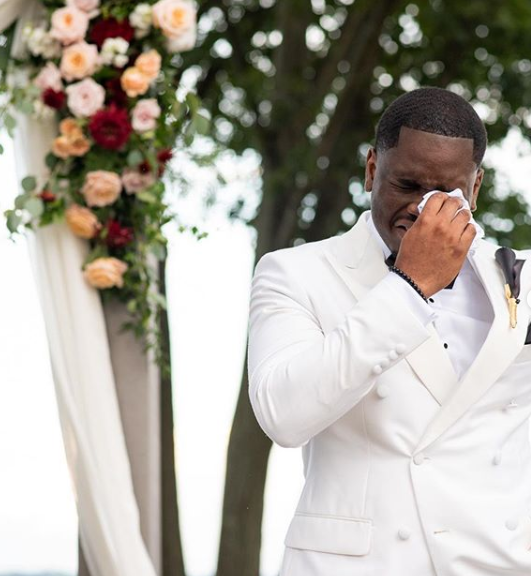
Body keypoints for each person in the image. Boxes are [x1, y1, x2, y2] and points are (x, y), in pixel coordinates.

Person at [247, 87, 531, 576]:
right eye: (407, 185)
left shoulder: (518, 277)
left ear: (477, 187)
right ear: (373, 169)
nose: (424, 209)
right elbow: (284, 416)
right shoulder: (294, 273)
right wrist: (409, 287)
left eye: (448, 193)